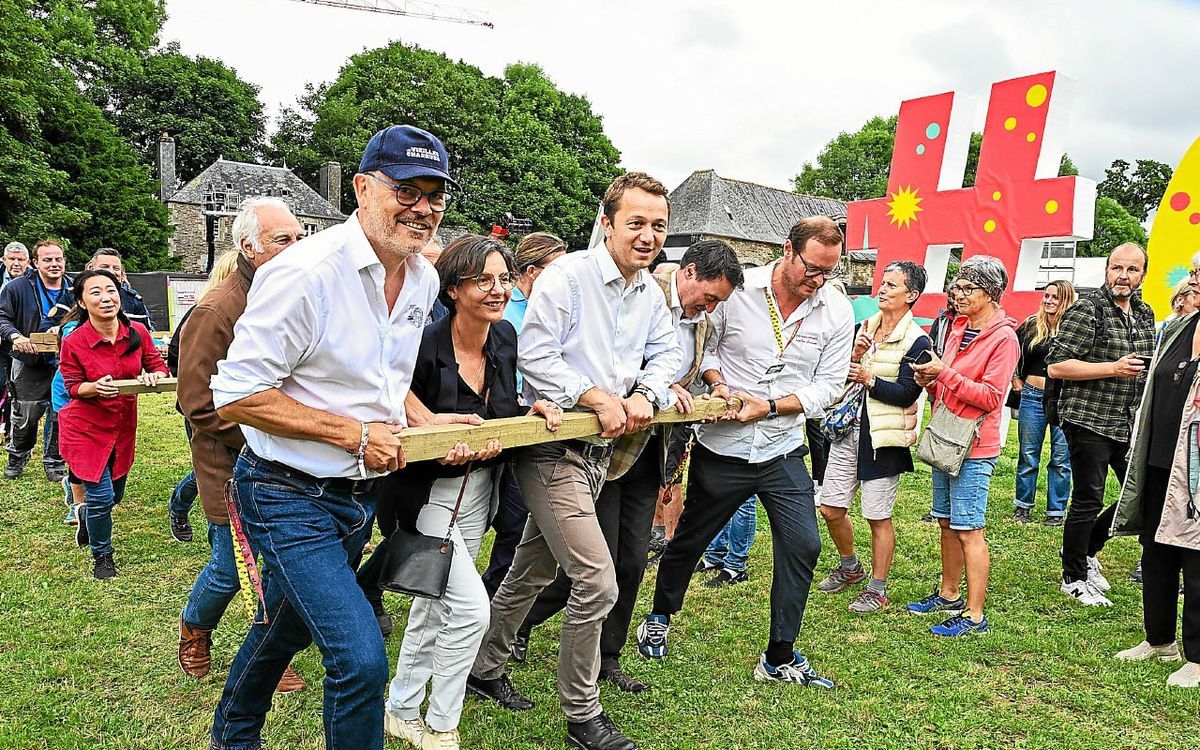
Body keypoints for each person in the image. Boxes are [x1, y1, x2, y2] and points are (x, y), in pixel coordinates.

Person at [206, 124, 461, 750]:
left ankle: (232, 733)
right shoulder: (306, 273)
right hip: (284, 491)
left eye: (436, 195)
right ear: (363, 188)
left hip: (356, 497)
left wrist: (423, 421)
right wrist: (355, 434)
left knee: (285, 627)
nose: (424, 208)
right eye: (408, 191)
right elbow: (235, 394)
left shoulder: (422, 279)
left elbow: (377, 375)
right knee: (361, 658)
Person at [469, 172, 682, 750]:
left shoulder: (651, 293)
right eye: (635, 223)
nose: (647, 236)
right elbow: (536, 355)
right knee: (596, 579)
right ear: (607, 222)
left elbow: (668, 355)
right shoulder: (568, 276)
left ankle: (482, 668)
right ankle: (582, 715)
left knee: (531, 570)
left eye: (658, 226)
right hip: (551, 448)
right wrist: (594, 396)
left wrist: (646, 395)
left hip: (601, 454)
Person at [515, 239, 741, 692]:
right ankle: (519, 625)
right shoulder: (642, 291)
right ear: (689, 272)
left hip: (649, 451)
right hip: (604, 449)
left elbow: (672, 366)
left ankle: (607, 656)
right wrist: (654, 387)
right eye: (709, 297)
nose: (710, 309)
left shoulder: (698, 322)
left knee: (632, 561)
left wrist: (684, 388)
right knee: (590, 565)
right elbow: (614, 362)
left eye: (719, 303)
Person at [637, 215, 853, 687]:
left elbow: (830, 385)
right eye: (812, 268)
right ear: (788, 250)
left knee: (804, 544)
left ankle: (780, 655)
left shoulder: (836, 311)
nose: (818, 281)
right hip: (723, 447)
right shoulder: (739, 290)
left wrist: (772, 406)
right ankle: (658, 617)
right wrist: (718, 385)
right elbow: (703, 347)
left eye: (828, 272)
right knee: (690, 540)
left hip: (782, 447)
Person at [379, 234, 562, 750]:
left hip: (480, 490)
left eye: (504, 278)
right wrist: (434, 433)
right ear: (454, 289)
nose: (498, 289)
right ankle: (440, 723)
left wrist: (536, 410)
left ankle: (400, 706)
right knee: (470, 609)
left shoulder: (505, 338)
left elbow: (503, 410)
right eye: (483, 280)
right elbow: (386, 401)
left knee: (432, 601)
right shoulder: (420, 345)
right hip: (425, 493)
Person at [175, 199, 307, 694]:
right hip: (229, 461)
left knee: (280, 563)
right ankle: (196, 627)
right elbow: (198, 405)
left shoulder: (293, 294)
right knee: (232, 568)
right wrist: (273, 430)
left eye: (300, 237)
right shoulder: (215, 311)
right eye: (283, 240)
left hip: (286, 459)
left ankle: (268, 654)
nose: (297, 248)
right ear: (248, 247)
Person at [904, 256, 1019, 635]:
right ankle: (949, 592)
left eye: (969, 289)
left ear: (992, 293)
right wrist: (929, 380)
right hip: (945, 437)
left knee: (969, 528)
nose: (959, 295)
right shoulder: (958, 328)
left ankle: (974, 615)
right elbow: (947, 385)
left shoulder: (1004, 338)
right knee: (945, 521)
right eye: (957, 287)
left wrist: (945, 374)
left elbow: (990, 397)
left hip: (974, 445)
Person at [816, 260, 930, 612]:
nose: (881, 289)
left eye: (892, 285)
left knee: (877, 516)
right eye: (883, 282)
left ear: (911, 295)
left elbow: (907, 394)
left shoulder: (918, 340)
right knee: (831, 508)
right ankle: (851, 567)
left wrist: (869, 378)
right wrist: (855, 354)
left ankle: (877, 588)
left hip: (883, 439)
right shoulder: (863, 327)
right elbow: (836, 374)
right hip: (848, 429)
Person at [1047, 243, 1156, 607]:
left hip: (1129, 422)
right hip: (1089, 419)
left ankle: (1087, 550)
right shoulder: (1087, 309)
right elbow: (1057, 365)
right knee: (1088, 497)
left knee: (1139, 494)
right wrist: (1112, 368)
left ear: (1143, 275)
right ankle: (1073, 576)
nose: (1122, 276)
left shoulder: (1144, 313)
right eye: (1116, 268)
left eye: (1131, 270)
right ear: (1107, 270)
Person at [1110, 252, 1200, 688]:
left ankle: (1199, 658)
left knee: (1197, 558)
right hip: (1162, 459)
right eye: (1194, 273)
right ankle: (1160, 640)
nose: (1193, 280)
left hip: (1198, 469)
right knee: (1156, 550)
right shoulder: (1181, 326)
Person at [56, 270, 169, 579]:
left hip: (121, 427)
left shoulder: (137, 333)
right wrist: (95, 387)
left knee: (115, 495)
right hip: (85, 429)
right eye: (95, 292)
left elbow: (158, 366)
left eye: (111, 290)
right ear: (81, 301)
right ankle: (102, 555)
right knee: (102, 498)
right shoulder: (74, 341)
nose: (106, 298)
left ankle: (85, 514)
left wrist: (152, 377)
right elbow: (73, 387)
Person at [481, 232, 568, 600]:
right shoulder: (505, 310)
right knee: (471, 519)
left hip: (533, 426)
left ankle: (491, 602)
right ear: (531, 272)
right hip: (495, 422)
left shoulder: (556, 309)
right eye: (556, 269)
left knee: (516, 523)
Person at [165, 250, 242, 544]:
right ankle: (179, 506)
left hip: (238, 410)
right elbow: (177, 358)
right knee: (210, 470)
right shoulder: (205, 312)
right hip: (207, 409)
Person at [0, 239, 72, 481]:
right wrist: (15, 337)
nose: (54, 264)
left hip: (64, 362)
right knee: (26, 414)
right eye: (47, 259)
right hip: (28, 360)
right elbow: (2, 317)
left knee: (60, 413)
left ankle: (55, 461)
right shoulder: (17, 288)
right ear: (35, 263)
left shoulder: (74, 289)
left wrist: (63, 330)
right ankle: (18, 455)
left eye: (58, 259)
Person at [1011, 280, 1076, 526]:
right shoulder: (1030, 325)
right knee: (1028, 454)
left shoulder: (1073, 329)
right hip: (1031, 395)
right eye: (1046, 296)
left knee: (1061, 457)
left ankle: (1056, 511)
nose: (1049, 301)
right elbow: (1011, 352)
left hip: (1063, 398)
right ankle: (1023, 506)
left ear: (1066, 300)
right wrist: (1015, 378)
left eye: (1055, 297)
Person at [86, 248, 154, 331]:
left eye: (116, 268)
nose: (111, 272)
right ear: (91, 268)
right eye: (105, 267)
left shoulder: (132, 299)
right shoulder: (75, 295)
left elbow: (150, 330)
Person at [1, 241, 30, 438]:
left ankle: (11, 429)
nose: (16, 263)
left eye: (21, 259)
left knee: (16, 387)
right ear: (4, 259)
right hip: (2, 340)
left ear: (28, 262)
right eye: (12, 259)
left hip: (23, 342)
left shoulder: (35, 280)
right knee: (1, 382)